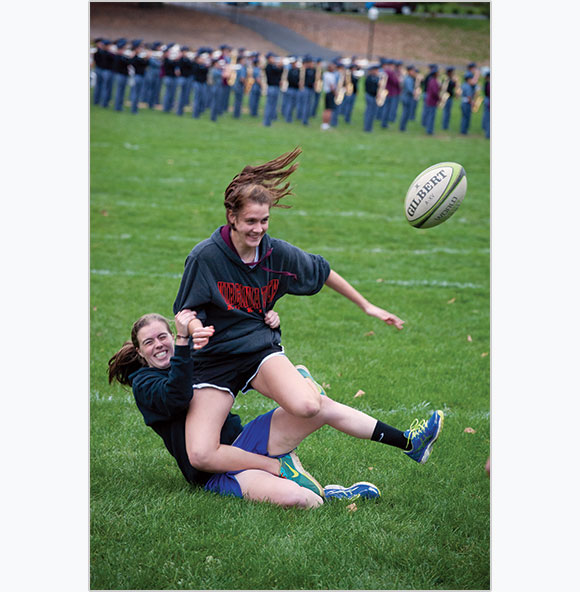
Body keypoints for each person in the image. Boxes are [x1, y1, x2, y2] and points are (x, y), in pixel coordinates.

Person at [172, 147, 443, 479]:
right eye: (250, 222)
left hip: (257, 349)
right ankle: (276, 461)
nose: (258, 229)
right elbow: (185, 311)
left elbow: (322, 271)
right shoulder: (205, 257)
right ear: (232, 217)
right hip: (214, 360)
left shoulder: (276, 253)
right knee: (199, 454)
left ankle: (409, 442)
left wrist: (366, 305)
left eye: (265, 220)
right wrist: (194, 327)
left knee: (309, 406)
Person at [108, 311, 444, 507]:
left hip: (247, 440)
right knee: (303, 502)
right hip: (216, 470)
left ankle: (410, 443)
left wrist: (272, 327)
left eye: (164, 336)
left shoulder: (192, 356)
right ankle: (328, 493)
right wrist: (184, 344)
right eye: (149, 342)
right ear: (139, 352)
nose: (160, 345)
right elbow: (177, 396)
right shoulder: (145, 385)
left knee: (318, 407)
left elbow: (247, 356)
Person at [399, 64, 417, 132]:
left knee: (406, 113)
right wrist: (414, 92)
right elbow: (409, 89)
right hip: (406, 98)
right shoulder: (408, 79)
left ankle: (403, 127)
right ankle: (402, 127)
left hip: (406, 97)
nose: (414, 72)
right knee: (405, 113)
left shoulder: (409, 78)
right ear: (409, 71)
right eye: (413, 71)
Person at [424, 64, 441, 135]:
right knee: (431, 116)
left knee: (431, 116)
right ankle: (429, 130)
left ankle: (429, 129)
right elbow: (434, 92)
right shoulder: (433, 81)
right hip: (432, 101)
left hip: (431, 100)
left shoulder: (432, 80)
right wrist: (439, 98)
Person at [363, 63, 380, 133]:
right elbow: (371, 89)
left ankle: (369, 127)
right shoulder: (370, 78)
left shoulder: (375, 78)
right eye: (375, 70)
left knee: (372, 113)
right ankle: (367, 128)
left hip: (373, 96)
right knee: (369, 112)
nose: (377, 72)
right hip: (370, 96)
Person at [321, 60, 337, 130]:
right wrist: (335, 93)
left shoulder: (326, 74)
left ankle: (325, 124)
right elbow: (332, 86)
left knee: (327, 109)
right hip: (330, 93)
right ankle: (325, 124)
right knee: (329, 110)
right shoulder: (329, 75)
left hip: (327, 93)